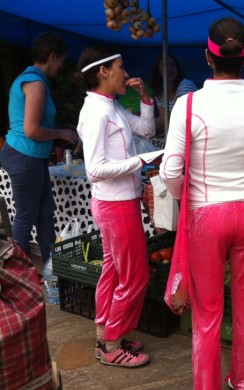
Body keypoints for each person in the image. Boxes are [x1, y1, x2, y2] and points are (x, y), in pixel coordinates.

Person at [160, 17, 244, 390]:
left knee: (208, 311)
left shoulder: (188, 105)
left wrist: (191, 195)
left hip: (206, 215)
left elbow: (169, 171)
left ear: (207, 57)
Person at [75, 45, 157, 368]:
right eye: (120, 67)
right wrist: (139, 162)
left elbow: (147, 130)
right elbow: (94, 168)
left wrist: (147, 100)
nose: (126, 73)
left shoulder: (112, 106)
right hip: (115, 204)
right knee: (135, 274)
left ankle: (104, 332)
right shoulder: (95, 112)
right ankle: (112, 344)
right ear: (103, 72)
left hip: (117, 202)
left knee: (113, 268)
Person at [0, 31, 79, 266]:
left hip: (32, 157)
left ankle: (50, 270)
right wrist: (62, 133)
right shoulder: (35, 83)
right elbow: (32, 130)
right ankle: (18, 277)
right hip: (24, 156)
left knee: (45, 214)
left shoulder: (34, 80)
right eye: (62, 60)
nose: (61, 66)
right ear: (52, 56)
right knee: (25, 217)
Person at [148, 53, 198, 134]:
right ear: (159, 71)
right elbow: (164, 122)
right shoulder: (160, 92)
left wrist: (143, 125)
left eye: (172, 65)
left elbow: (177, 116)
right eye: (164, 66)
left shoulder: (186, 85)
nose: (169, 69)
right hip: (178, 134)